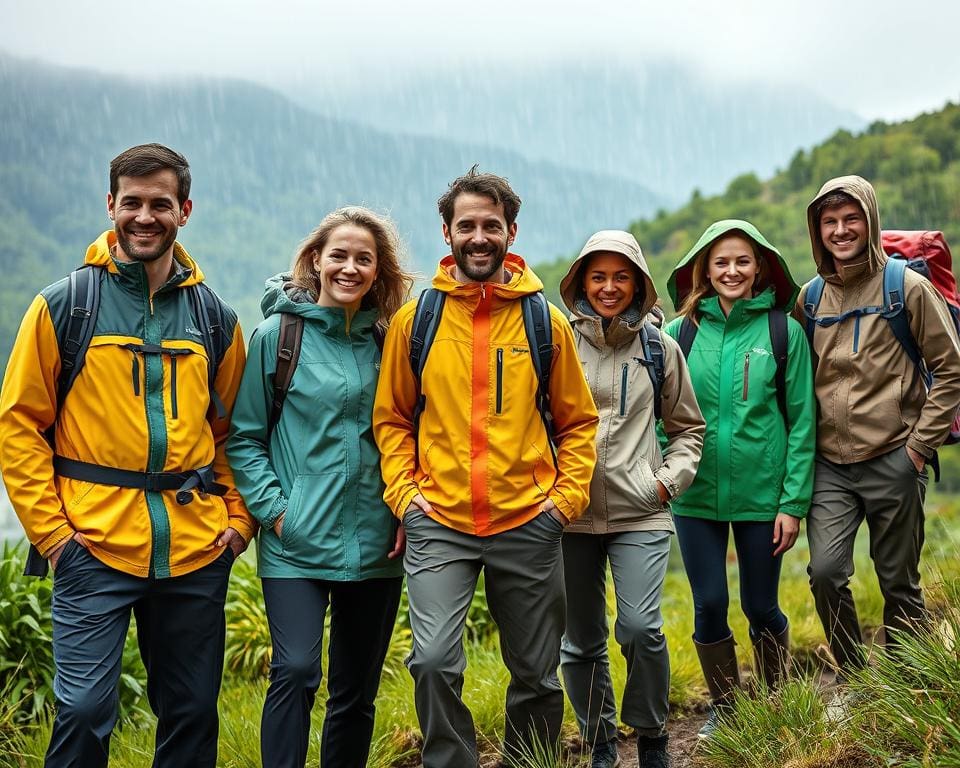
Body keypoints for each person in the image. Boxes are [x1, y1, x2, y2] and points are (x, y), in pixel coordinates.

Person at [0, 143, 253, 767]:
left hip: (194, 547)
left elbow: (232, 434)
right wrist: (55, 537)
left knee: (192, 713)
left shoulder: (214, 318)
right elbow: (19, 429)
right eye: (132, 203)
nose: (145, 217)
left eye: (160, 204)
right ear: (110, 204)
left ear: (184, 211)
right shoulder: (64, 306)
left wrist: (238, 522)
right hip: (92, 542)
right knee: (85, 711)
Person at [373, 166, 599, 767]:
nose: (479, 237)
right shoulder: (415, 322)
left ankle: (534, 761)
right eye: (466, 225)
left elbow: (577, 423)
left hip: (528, 520)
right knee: (433, 661)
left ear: (511, 232)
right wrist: (406, 497)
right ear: (446, 232)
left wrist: (562, 504)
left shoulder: (543, 322)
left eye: (490, 226)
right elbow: (391, 418)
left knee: (536, 674)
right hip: (439, 519)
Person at [226, 207, 414, 768]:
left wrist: (403, 509)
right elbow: (244, 437)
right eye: (340, 255)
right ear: (315, 260)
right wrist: (278, 513)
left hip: (377, 542)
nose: (350, 268)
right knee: (297, 671)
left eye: (364, 259)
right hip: (295, 544)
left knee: (356, 691)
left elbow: (411, 430)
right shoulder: (276, 337)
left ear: (378, 272)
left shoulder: (392, 343)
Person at [797, 177, 960, 692]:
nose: (841, 231)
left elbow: (951, 368)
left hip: (894, 455)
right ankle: (857, 680)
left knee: (898, 584)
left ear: (870, 221)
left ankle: (912, 688)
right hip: (829, 467)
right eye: (830, 222)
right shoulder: (810, 298)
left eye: (851, 219)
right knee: (824, 572)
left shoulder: (906, 287)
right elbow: (797, 378)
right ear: (817, 230)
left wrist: (917, 449)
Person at [557, 231, 705, 768]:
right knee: (579, 642)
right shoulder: (557, 342)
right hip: (568, 513)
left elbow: (689, 430)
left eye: (621, 277)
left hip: (640, 510)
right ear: (580, 283)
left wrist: (664, 483)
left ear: (639, 283)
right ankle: (599, 743)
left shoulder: (657, 348)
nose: (609, 288)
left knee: (641, 628)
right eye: (598, 277)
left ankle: (651, 735)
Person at [663, 220, 816, 739]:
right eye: (721, 262)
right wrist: (667, 471)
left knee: (759, 605)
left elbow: (801, 422)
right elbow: (660, 416)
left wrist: (792, 503)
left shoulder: (782, 331)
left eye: (742, 262)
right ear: (704, 269)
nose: (731, 271)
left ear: (760, 269)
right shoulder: (679, 334)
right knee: (708, 602)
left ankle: (775, 700)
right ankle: (726, 709)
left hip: (762, 495)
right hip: (695, 496)